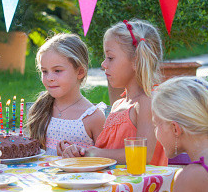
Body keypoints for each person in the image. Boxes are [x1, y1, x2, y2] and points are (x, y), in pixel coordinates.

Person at [60, 19, 167, 166]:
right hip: (118, 187)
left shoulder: (147, 102)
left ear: (136, 61)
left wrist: (96, 153)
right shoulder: (118, 105)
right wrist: (81, 152)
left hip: (143, 187)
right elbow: (107, 152)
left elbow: (145, 155)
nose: (104, 64)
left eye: (110, 58)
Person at [27, 33, 106, 155]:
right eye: (44, 71)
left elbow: (106, 161)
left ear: (80, 72)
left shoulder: (93, 118)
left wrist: (78, 157)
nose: (49, 78)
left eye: (57, 71)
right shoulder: (39, 110)